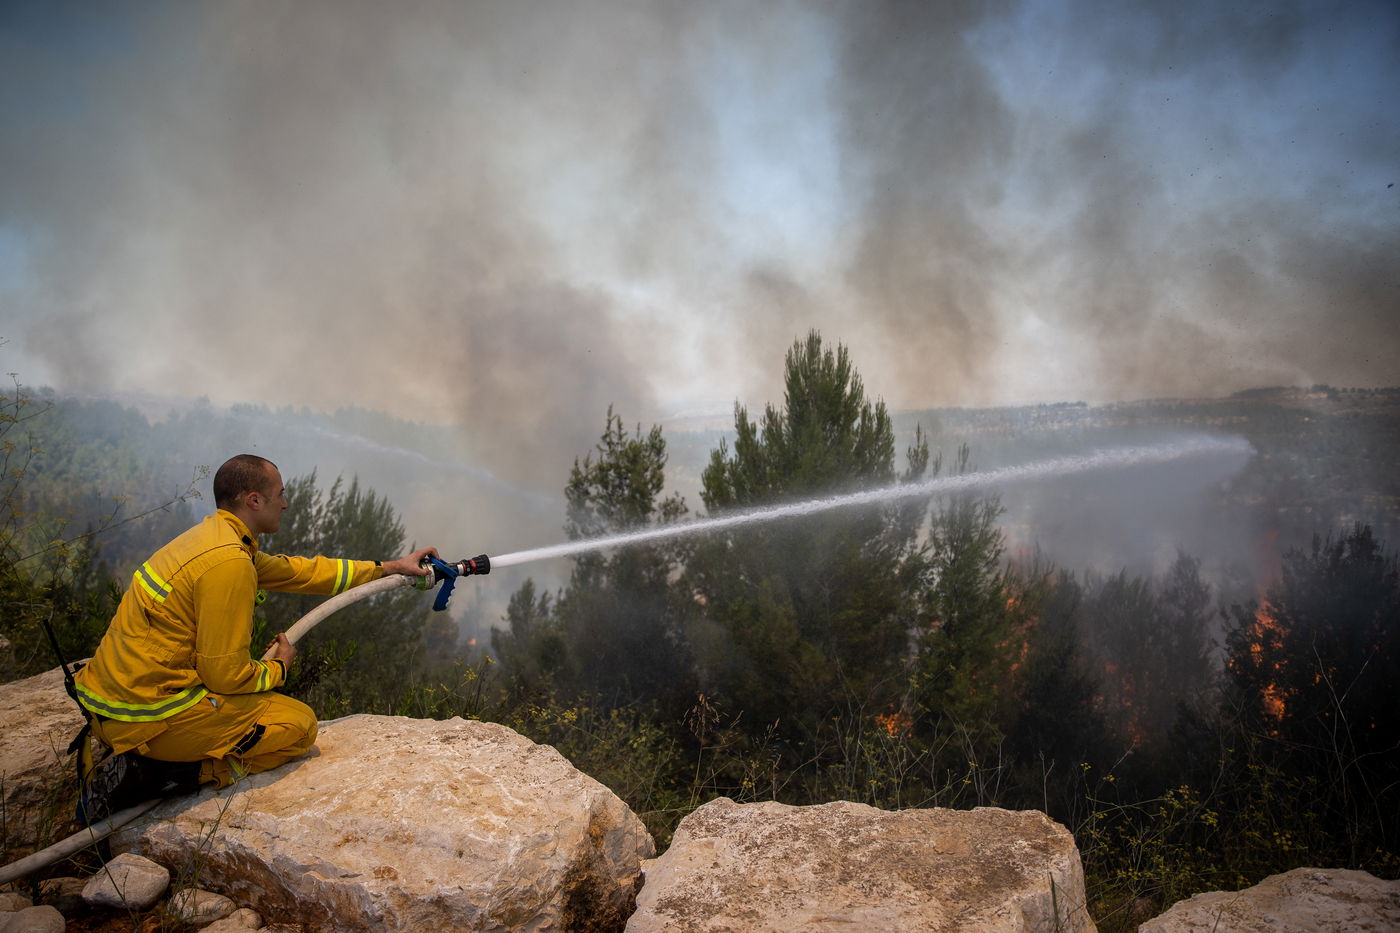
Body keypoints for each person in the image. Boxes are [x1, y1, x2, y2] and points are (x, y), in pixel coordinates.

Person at [73, 454, 438, 798]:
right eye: (280, 494)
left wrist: (389, 567)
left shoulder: (213, 539)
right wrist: (277, 668)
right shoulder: (228, 563)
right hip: (147, 721)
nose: (286, 503)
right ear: (253, 500)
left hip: (111, 708)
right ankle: (165, 775)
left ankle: (157, 758)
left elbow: (302, 571)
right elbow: (224, 676)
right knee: (298, 727)